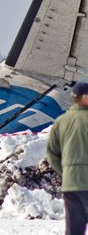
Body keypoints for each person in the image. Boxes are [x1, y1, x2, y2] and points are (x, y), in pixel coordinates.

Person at [47, 80, 88, 235]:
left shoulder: (61, 121)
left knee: (73, 231)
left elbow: (52, 154)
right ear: (85, 98)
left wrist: (66, 172)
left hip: (70, 185)